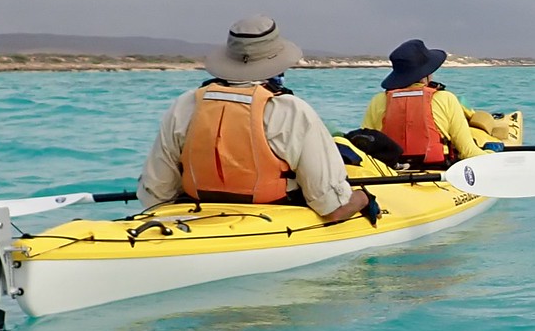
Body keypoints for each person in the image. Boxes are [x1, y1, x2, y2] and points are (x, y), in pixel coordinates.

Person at [138, 16, 375, 223]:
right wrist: (364, 198)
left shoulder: (186, 104)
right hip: (272, 217)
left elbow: (156, 195)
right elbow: (332, 207)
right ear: (278, 64)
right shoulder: (291, 111)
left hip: (196, 214)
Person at [361, 39, 508, 167]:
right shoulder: (446, 99)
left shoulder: (378, 100)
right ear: (426, 74)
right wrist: (491, 153)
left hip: (390, 171)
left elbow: (364, 148)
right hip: (438, 169)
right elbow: (468, 152)